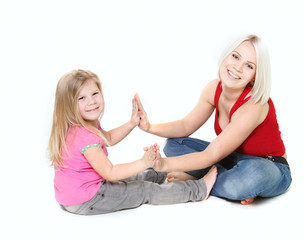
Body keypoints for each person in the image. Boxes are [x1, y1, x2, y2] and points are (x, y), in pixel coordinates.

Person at [136, 34, 292, 205]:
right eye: (235, 56)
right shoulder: (213, 88)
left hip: (269, 166)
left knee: (249, 177)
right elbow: (185, 125)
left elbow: (211, 154)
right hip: (231, 157)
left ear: (255, 76)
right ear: (226, 55)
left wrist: (164, 164)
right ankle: (225, 181)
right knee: (173, 144)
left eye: (249, 66)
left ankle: (205, 181)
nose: (237, 67)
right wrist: (149, 127)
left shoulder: (254, 106)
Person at [48, 69, 217, 215]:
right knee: (145, 190)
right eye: (81, 98)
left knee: (139, 175)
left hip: (71, 197)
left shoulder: (79, 127)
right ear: (68, 105)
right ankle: (199, 190)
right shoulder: (86, 137)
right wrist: (143, 162)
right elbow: (111, 173)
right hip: (88, 200)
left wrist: (132, 123)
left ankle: (170, 175)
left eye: (94, 93)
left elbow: (109, 138)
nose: (91, 101)